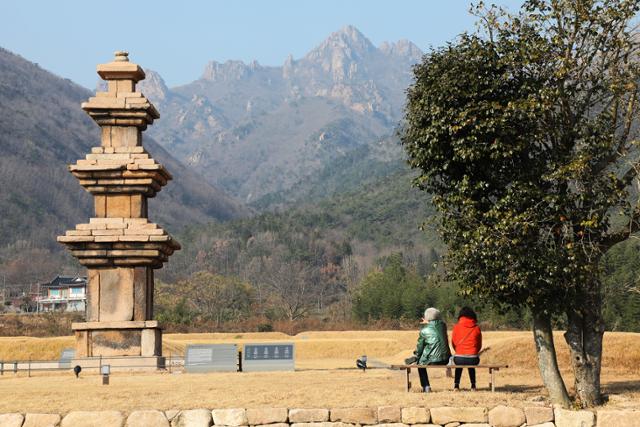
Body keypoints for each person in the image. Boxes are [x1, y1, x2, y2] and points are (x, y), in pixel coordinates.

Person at [414, 307, 451, 392]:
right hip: (446, 359)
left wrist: (416, 356)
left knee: (420, 364)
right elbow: (436, 327)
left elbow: (420, 348)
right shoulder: (443, 326)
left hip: (433, 360)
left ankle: (426, 386)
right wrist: (428, 323)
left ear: (426, 317)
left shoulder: (424, 330)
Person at [451, 306, 482, 390]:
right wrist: (473, 352)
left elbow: (453, 343)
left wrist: (458, 351)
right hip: (473, 358)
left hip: (459, 358)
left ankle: (456, 386)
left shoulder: (456, 327)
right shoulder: (476, 328)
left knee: (459, 365)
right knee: (471, 365)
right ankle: (473, 385)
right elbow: (479, 345)